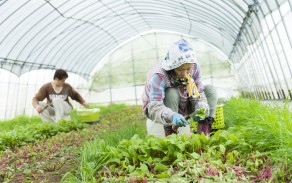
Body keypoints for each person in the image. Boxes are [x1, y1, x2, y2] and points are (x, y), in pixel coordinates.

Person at [142, 38, 217, 136]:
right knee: (171, 92)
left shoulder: (194, 67)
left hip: (184, 102)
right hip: (161, 109)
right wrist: (172, 116)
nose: (185, 73)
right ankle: (171, 135)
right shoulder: (159, 75)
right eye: (180, 70)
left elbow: (199, 92)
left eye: (188, 69)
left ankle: (203, 134)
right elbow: (154, 107)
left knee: (210, 90)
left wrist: (201, 106)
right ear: (172, 66)